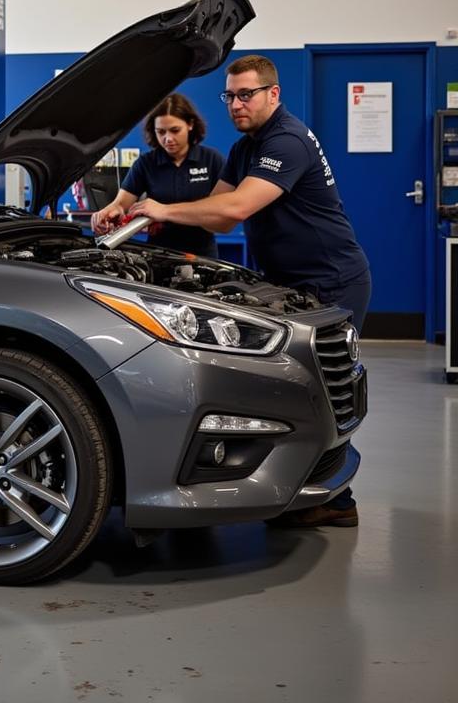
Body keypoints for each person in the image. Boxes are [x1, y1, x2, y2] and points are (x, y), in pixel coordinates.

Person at [128, 54, 370, 528]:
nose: (236, 104)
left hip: (331, 279)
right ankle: (297, 489)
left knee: (322, 391)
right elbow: (216, 211)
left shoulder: (287, 140)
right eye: (230, 96)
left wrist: (162, 209)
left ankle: (335, 500)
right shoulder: (246, 147)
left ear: (272, 94)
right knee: (294, 390)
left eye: (246, 95)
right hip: (290, 283)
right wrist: (143, 214)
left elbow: (237, 207)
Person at [91, 93, 225, 256]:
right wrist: (106, 213)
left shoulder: (212, 160)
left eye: (175, 130)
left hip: (202, 255)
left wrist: (164, 210)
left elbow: (223, 211)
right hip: (159, 254)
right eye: (161, 132)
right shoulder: (146, 163)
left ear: (190, 124)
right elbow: (120, 204)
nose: (168, 138)